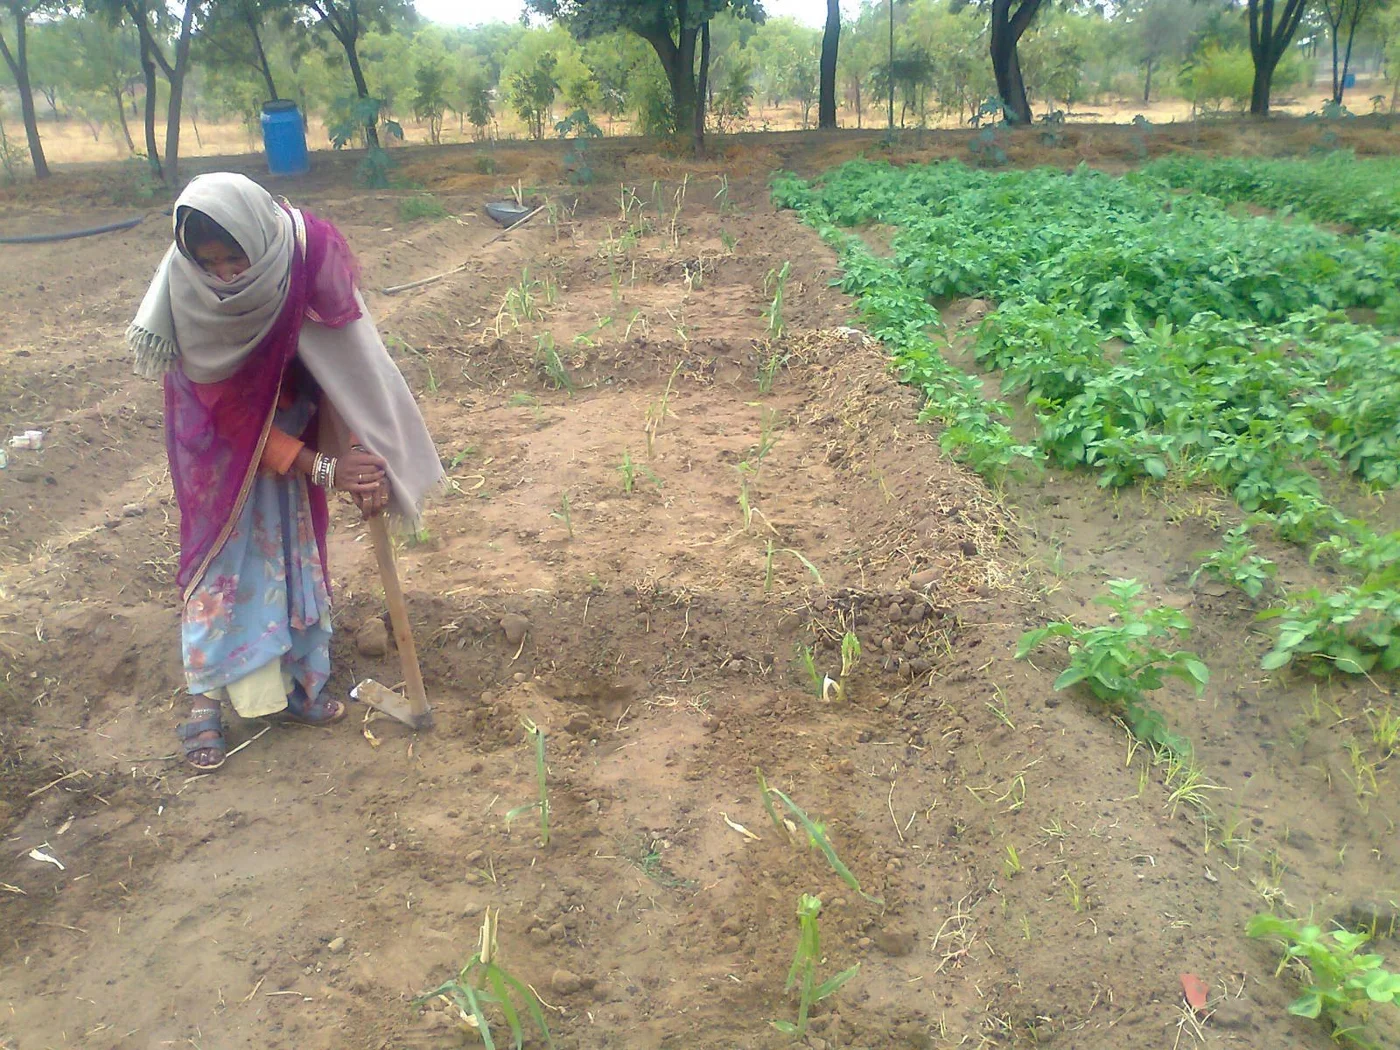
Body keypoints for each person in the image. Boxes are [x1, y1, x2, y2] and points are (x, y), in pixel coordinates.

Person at [128, 173, 443, 772]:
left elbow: (342, 358)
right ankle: (205, 699)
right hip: (218, 447)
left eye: (234, 258)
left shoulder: (304, 254)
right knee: (223, 561)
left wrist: (357, 453)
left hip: (294, 413)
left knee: (292, 550)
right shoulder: (191, 293)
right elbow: (228, 412)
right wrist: (325, 467)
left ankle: (296, 682)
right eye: (209, 262)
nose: (224, 276)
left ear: (258, 240)